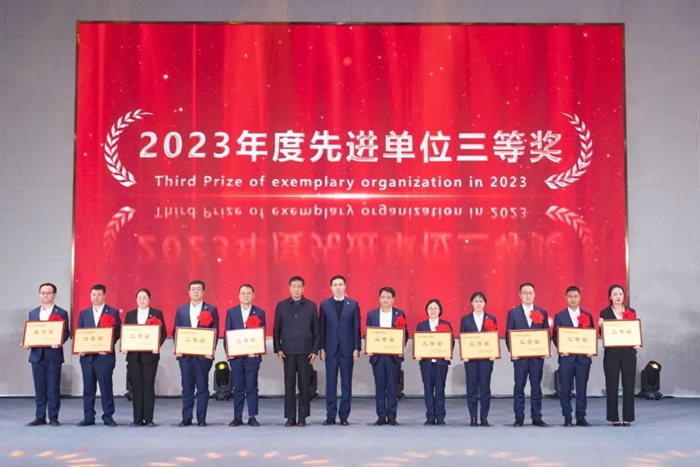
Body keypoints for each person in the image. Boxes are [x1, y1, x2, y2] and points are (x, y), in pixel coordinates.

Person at [273, 276, 319, 427]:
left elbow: (316, 330)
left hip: (306, 352)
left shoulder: (311, 306)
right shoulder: (282, 305)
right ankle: (290, 417)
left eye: (299, 286)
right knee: (289, 385)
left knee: (304, 386)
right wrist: (278, 349)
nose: (296, 289)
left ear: (303, 288)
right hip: (287, 351)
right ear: (289, 288)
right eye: (294, 286)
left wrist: (315, 350)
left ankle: (302, 417)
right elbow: (276, 328)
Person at [173, 280, 219, 427]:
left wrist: (211, 349)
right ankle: (186, 418)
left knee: (202, 387)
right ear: (189, 292)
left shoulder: (211, 309)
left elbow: (215, 331)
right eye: (193, 289)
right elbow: (176, 331)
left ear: (203, 292)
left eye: (199, 289)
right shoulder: (181, 310)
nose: (196, 292)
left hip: (203, 356)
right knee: (187, 387)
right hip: (185, 356)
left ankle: (201, 418)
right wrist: (177, 347)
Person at [24, 283, 70, 426]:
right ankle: (40, 416)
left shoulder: (61, 313)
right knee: (39, 388)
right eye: (42, 292)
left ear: (54, 295)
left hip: (53, 355)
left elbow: (66, 332)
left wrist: (59, 341)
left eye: (48, 293)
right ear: (39, 295)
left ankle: (53, 417)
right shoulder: (33, 313)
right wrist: (27, 342)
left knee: (53, 387)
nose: (45, 295)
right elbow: (31, 332)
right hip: (37, 356)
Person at [319, 275, 361, 426]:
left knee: (346, 383)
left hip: (347, 349)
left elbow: (356, 328)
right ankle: (330, 415)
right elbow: (322, 328)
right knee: (330, 383)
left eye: (340, 284)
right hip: (330, 349)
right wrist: (321, 348)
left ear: (345, 286)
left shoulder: (353, 304)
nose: (338, 287)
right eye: (335, 285)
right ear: (331, 287)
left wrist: (357, 348)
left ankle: (344, 415)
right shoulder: (325, 305)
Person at [505, 282, 550, 427]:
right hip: (520, 358)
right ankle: (519, 417)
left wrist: (545, 350)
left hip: (537, 358)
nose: (528, 295)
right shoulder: (513, 313)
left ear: (534, 294)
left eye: (530, 293)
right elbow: (508, 334)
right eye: (525, 293)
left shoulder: (542, 312)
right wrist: (512, 351)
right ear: (520, 295)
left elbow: (546, 334)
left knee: (536, 388)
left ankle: (537, 417)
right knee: (519, 387)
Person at [76, 284, 121, 427]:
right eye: (93, 295)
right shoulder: (84, 313)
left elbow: (117, 333)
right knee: (88, 388)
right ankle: (88, 416)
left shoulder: (112, 312)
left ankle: (108, 416)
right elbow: (80, 333)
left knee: (106, 387)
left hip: (105, 357)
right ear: (90, 296)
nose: (96, 297)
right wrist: (80, 347)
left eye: (99, 295)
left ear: (104, 296)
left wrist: (107, 346)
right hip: (87, 358)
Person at [122, 288, 166, 427]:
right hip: (134, 357)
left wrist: (156, 345)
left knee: (148, 386)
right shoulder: (130, 315)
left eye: (144, 297)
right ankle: (137, 419)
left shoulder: (157, 314)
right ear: (136, 300)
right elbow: (127, 333)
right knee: (136, 387)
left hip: (150, 356)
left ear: (150, 299)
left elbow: (163, 333)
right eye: (139, 298)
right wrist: (125, 345)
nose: (142, 300)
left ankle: (148, 419)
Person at [552, 286, 595, 427]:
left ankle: (581, 417)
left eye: (575, 296)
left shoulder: (587, 316)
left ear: (580, 297)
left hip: (583, 359)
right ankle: (567, 417)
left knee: (582, 389)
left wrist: (591, 349)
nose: (573, 299)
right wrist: (561, 349)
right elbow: (555, 336)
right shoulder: (560, 316)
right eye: (570, 296)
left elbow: (591, 335)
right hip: (566, 359)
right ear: (566, 298)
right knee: (565, 389)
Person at [225, 283, 266, 427]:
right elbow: (227, 333)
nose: (246, 296)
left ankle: (252, 416)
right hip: (236, 358)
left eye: (248, 293)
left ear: (253, 295)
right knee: (238, 387)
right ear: (238, 296)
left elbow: (261, 334)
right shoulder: (231, 312)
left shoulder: (259, 312)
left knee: (252, 387)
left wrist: (257, 350)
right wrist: (228, 352)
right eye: (243, 293)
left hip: (252, 358)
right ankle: (237, 417)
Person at [366, 286, 407, 426]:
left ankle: (392, 416)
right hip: (377, 356)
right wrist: (369, 347)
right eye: (383, 297)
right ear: (379, 298)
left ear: (393, 299)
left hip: (393, 357)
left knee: (392, 387)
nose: (385, 300)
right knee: (379, 387)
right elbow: (368, 333)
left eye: (388, 298)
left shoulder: (399, 314)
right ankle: (381, 416)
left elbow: (404, 334)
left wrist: (401, 347)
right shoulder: (372, 314)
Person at [599, 284, 638, 426]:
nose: (618, 297)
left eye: (620, 294)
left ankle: (628, 417)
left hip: (628, 353)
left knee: (629, 385)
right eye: (615, 294)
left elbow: (634, 330)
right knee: (611, 385)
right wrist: (600, 326)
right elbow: (603, 334)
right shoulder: (605, 313)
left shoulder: (631, 311)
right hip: (612, 354)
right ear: (610, 297)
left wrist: (636, 341)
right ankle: (613, 417)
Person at [460, 291, 498, 427]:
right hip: (470, 360)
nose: (478, 304)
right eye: (476, 301)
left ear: (485, 303)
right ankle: (473, 417)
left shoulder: (491, 318)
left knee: (485, 388)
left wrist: (494, 352)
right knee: (471, 388)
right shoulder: (465, 319)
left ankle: (484, 417)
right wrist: (464, 354)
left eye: (481, 301)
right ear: (471, 303)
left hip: (486, 360)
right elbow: (462, 338)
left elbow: (493, 338)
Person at [415, 299, 453, 426]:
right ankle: (430, 416)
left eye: (435, 308)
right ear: (426, 310)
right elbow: (418, 342)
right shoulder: (421, 326)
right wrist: (418, 353)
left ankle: (440, 416)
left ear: (440, 310)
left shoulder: (446, 324)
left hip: (441, 363)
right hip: (426, 363)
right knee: (428, 389)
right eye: (430, 308)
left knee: (440, 389)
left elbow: (451, 342)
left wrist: (448, 352)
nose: (432, 311)